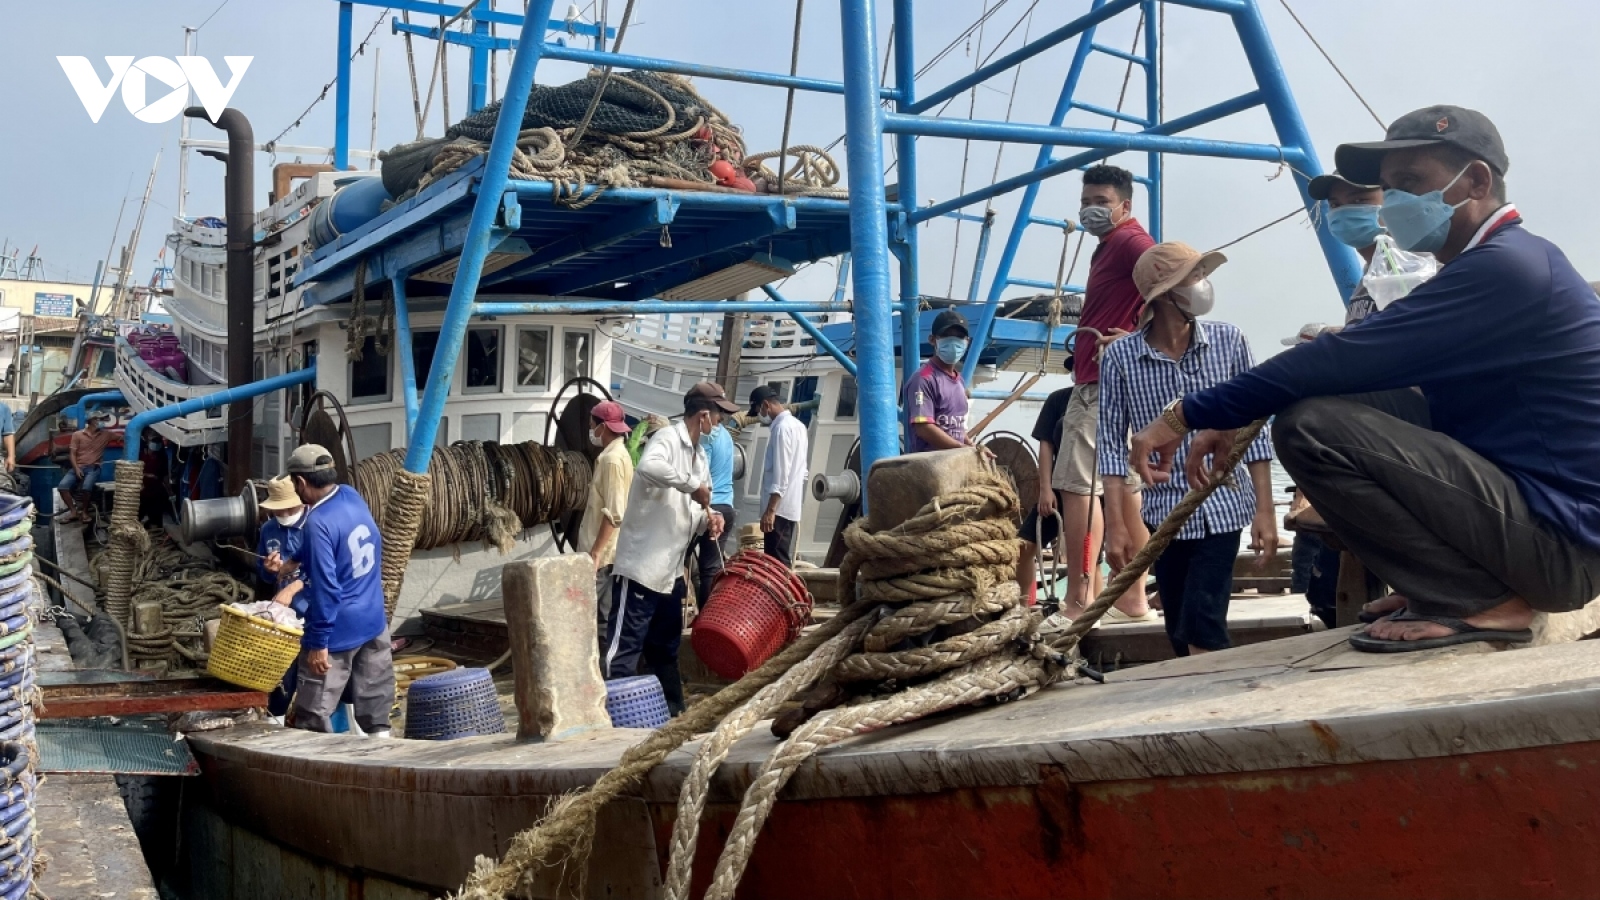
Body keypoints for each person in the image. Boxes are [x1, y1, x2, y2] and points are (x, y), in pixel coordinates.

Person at [1131, 105, 1600, 654]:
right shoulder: (1489, 265)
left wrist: (1187, 414)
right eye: (1389, 187)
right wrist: (1235, 416)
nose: (1395, 201)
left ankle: (1479, 598)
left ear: (1475, 181)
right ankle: (1457, 582)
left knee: (1311, 426)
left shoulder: (1507, 268)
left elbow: (1342, 356)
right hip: (1543, 532)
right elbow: (1348, 368)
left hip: (1564, 549)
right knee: (1330, 397)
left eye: (1410, 183)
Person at [1100, 242, 1278, 656]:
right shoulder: (1122, 358)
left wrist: (1265, 512)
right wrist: (1117, 527)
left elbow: (1255, 432)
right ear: (1165, 294)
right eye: (1193, 278)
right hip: (1163, 515)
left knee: (1203, 625)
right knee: (1179, 630)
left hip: (1224, 506)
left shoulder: (1229, 340)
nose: (1203, 285)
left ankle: (1216, 707)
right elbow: (1110, 443)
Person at [1055, 164, 1157, 618]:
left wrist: (1135, 336)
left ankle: (1079, 599)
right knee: (1125, 493)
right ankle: (1134, 598)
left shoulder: (1131, 242)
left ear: (1125, 205)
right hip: (1114, 386)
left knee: (1079, 491)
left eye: (1100, 202)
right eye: (1085, 204)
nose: (1091, 211)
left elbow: (1179, 280)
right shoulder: (1110, 245)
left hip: (1099, 387)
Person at [603, 383, 735, 714]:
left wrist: (711, 519)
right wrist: (693, 487)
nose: (719, 424)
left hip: (670, 574)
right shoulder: (666, 439)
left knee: (665, 648)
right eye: (718, 416)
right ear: (704, 415)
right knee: (623, 651)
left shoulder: (700, 456)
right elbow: (649, 467)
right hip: (641, 570)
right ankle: (613, 719)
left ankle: (672, 713)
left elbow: (691, 510)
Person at [285, 444, 395, 734]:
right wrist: (292, 562)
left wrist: (319, 642)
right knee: (376, 706)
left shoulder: (317, 522)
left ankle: (318, 771)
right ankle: (382, 757)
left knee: (313, 714)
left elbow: (327, 588)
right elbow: (336, 546)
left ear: (301, 482)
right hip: (373, 620)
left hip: (337, 632)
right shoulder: (350, 495)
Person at [578, 400, 634, 638]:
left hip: (603, 559)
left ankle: (601, 669)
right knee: (600, 617)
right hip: (606, 554)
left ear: (604, 427)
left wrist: (596, 553)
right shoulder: (614, 455)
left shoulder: (612, 460)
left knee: (593, 619)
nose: (591, 431)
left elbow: (615, 512)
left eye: (593, 425)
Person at [257, 475, 311, 721]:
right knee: (282, 673)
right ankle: (275, 720)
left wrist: (293, 588)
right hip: (284, 617)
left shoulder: (316, 523)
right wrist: (269, 570)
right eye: (278, 508)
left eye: (288, 506)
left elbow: (326, 572)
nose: (284, 512)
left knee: (319, 673)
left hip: (314, 610)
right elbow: (263, 577)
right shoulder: (268, 529)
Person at [1017, 382, 1072, 604]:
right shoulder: (1058, 399)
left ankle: (1087, 609)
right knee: (1023, 546)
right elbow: (1046, 446)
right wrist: (1046, 489)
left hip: (1097, 490)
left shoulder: (1111, 394)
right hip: (1060, 486)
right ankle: (1024, 604)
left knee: (1089, 557)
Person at [750, 385, 809, 566]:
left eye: (759, 409)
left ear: (766, 405)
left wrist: (771, 511)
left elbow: (781, 473)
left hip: (779, 510)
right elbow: (802, 471)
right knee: (781, 559)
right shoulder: (799, 426)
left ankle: (783, 595)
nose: (760, 415)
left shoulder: (781, 429)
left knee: (776, 563)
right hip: (789, 507)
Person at [903, 308, 972, 452]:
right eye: (946, 335)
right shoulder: (923, 379)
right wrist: (961, 448)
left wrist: (972, 447)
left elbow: (955, 429)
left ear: (967, 342)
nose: (953, 342)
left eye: (959, 337)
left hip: (954, 462)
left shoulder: (959, 381)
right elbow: (923, 427)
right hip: (929, 467)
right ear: (932, 340)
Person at [694, 408, 738, 605]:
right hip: (728, 506)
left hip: (711, 506)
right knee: (713, 566)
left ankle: (705, 617)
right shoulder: (727, 435)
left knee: (706, 570)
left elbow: (701, 476)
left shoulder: (707, 439)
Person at [57, 413, 112, 524]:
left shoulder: (106, 434)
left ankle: (84, 512)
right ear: (91, 422)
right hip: (78, 467)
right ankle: (73, 512)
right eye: (98, 419)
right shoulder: (77, 435)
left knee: (86, 488)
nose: (101, 421)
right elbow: (72, 454)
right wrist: (76, 469)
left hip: (93, 468)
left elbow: (126, 436)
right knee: (62, 487)